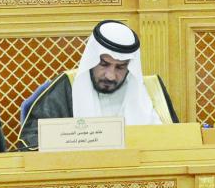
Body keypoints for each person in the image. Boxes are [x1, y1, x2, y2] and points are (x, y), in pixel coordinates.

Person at [18, 20, 178, 149]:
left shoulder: (151, 90)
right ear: (92, 60)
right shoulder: (67, 87)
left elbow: (176, 144)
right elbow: (31, 142)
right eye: (104, 64)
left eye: (120, 67)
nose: (110, 75)